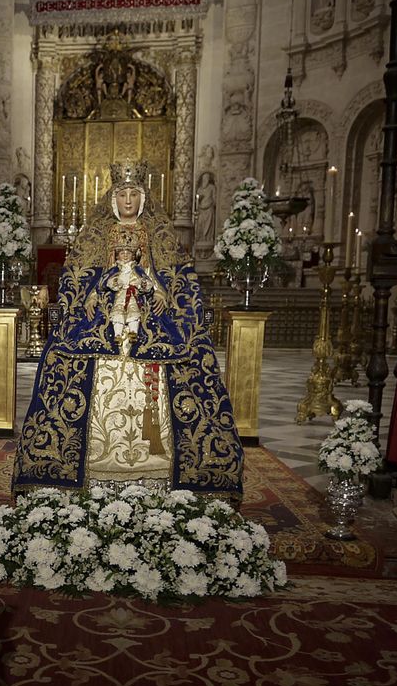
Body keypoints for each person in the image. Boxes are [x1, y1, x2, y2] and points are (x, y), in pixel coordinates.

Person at [15, 160, 243, 492]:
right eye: (122, 195)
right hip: (102, 319)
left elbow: (178, 278)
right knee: (63, 359)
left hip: (150, 315)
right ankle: (84, 463)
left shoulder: (159, 234)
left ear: (143, 198)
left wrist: (162, 291)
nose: (127, 202)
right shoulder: (94, 234)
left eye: (133, 195)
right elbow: (78, 277)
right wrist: (90, 297)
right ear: (112, 199)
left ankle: (162, 462)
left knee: (185, 358)